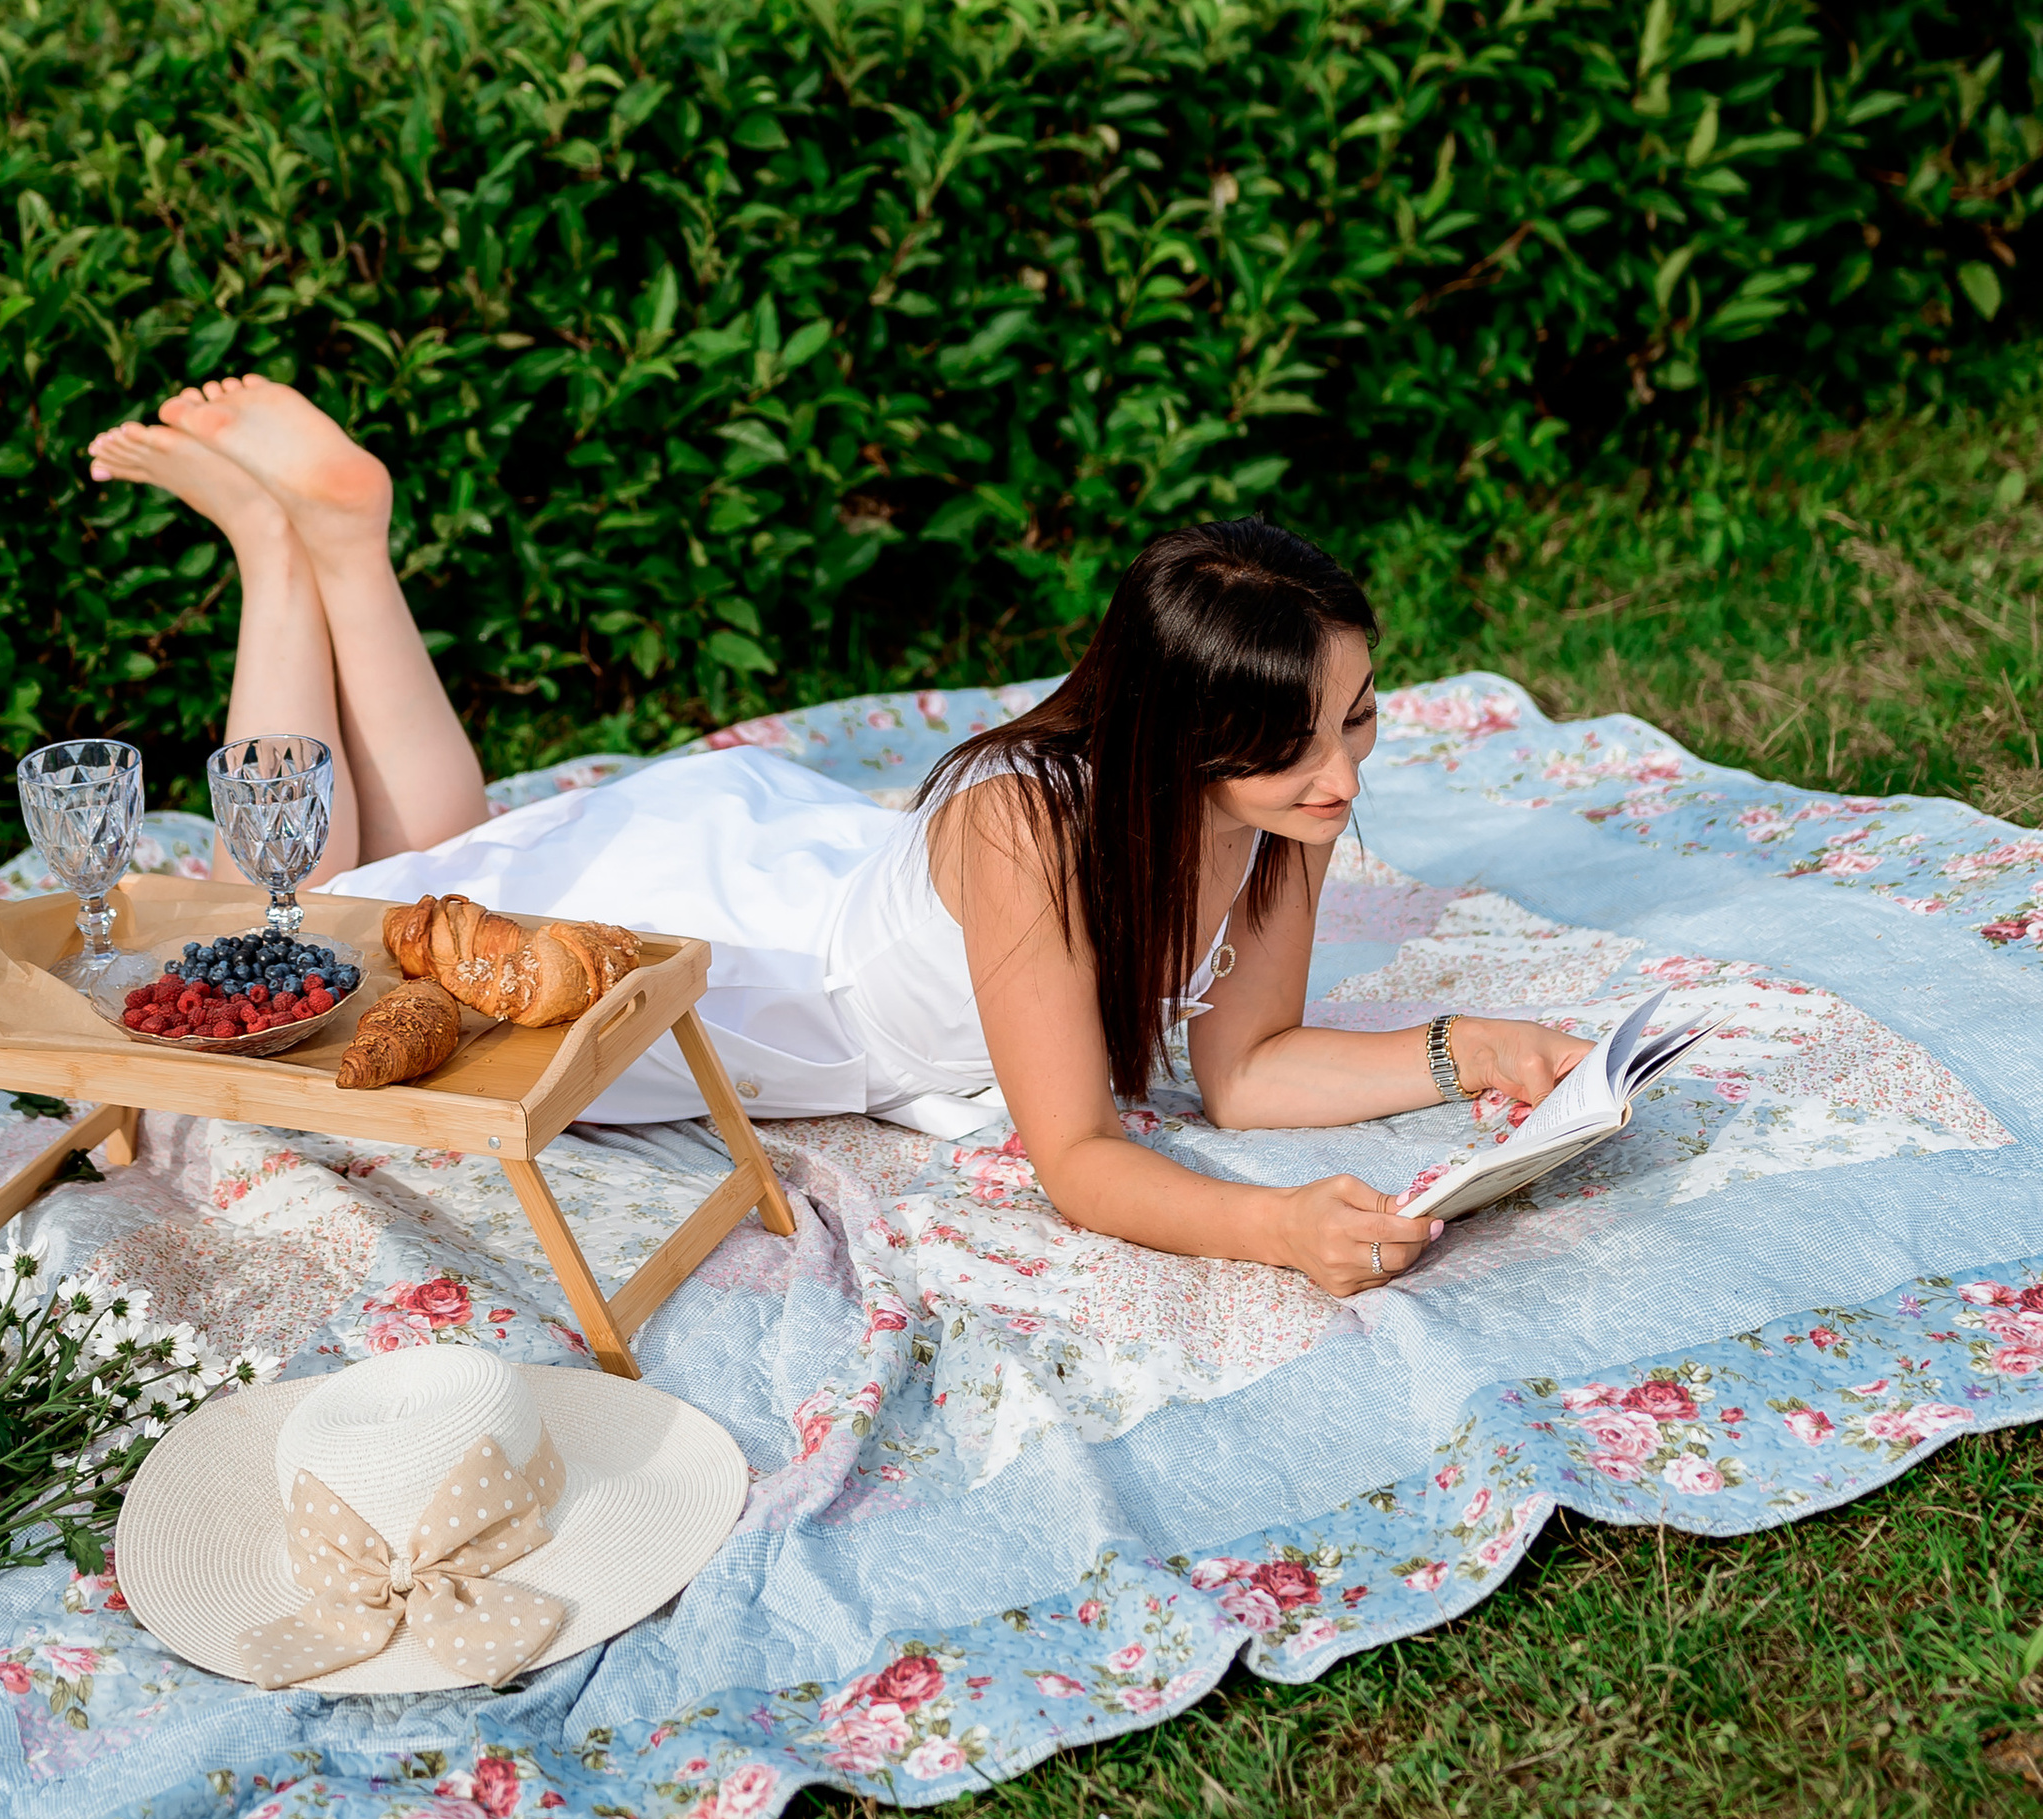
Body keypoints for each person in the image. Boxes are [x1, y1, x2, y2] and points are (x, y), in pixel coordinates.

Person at [89, 377, 1587, 1298]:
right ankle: (280, 554)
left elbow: (1243, 1072)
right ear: (1178, 740)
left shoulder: (1279, 810)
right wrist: (1270, 1238)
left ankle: (350, 546)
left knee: (446, 860)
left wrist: (1474, 1050)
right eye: (1297, 745)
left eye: (1360, 720)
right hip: (755, 962)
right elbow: (1077, 1154)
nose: (1341, 778)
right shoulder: (1034, 835)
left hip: (801, 867)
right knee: (314, 914)